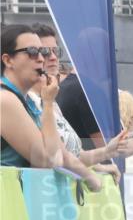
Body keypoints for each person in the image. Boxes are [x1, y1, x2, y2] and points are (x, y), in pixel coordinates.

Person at [1, 24, 103, 191]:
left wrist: (91, 175)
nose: (41, 59)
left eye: (42, 52)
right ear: (8, 60)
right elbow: (48, 160)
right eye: (32, 52)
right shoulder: (5, 100)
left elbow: (62, 153)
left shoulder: (25, 100)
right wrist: (48, 104)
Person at [28, 23, 125, 183]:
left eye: (56, 51)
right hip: (42, 190)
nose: (53, 57)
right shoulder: (28, 100)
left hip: (60, 188)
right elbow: (55, 156)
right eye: (44, 52)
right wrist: (91, 177)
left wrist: (100, 161)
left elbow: (71, 154)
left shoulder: (49, 98)